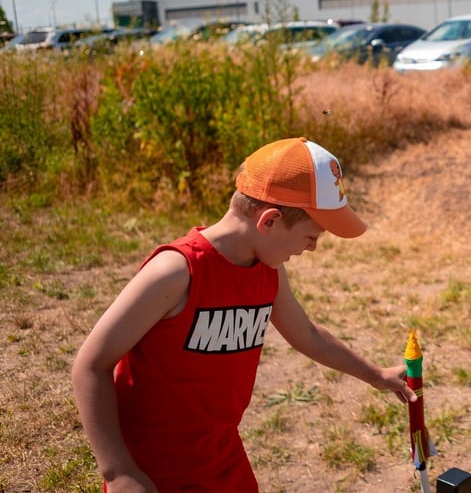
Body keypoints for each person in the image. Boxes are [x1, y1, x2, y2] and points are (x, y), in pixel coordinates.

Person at [72, 137, 416, 492]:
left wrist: (374, 374)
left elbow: (307, 335)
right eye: (311, 237)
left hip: (222, 457)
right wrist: (118, 471)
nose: (312, 248)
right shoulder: (176, 272)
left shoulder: (267, 271)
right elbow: (91, 365)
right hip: (153, 467)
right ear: (270, 221)